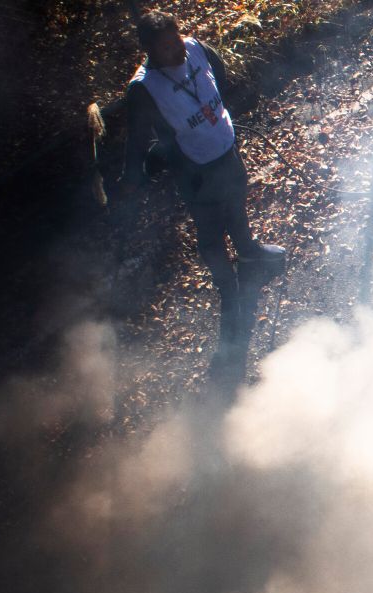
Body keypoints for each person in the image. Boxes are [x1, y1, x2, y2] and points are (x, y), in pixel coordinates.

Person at [116, 10, 285, 344]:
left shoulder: (197, 48)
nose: (177, 51)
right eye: (166, 48)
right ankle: (228, 288)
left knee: (236, 203)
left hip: (225, 149)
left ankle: (249, 252)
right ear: (150, 51)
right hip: (194, 169)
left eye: (176, 40)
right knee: (209, 231)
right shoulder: (145, 89)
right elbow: (136, 139)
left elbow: (218, 80)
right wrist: (131, 176)